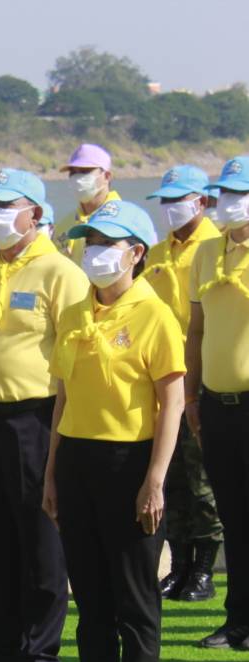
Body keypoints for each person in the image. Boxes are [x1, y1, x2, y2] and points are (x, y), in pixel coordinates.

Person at [44, 200, 182, 662]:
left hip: (131, 462)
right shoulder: (77, 311)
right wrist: (52, 471)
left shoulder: (155, 314)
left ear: (135, 252)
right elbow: (63, 397)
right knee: (92, 600)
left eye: (106, 242)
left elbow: (170, 400)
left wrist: (155, 479)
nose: (94, 251)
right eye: (89, 240)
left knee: (134, 599)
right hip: (77, 460)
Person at [0, 169, 89, 662]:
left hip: (35, 420)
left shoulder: (60, 273)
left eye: (6, 206)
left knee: (40, 541)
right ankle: (1, 652)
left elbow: (74, 368)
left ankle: (41, 654)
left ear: (35, 212)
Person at [145, 164, 222, 603]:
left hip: (199, 373)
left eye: (181, 199)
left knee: (200, 481)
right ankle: (179, 564)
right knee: (169, 478)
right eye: (166, 200)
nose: (172, 208)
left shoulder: (212, 248)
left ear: (202, 201)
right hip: (159, 378)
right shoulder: (155, 254)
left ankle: (205, 570)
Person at [186, 156, 249, 650]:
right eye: (223, 193)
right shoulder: (207, 252)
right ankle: (238, 620)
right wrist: (191, 395)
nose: (228, 202)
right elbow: (197, 329)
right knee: (233, 514)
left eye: (238, 193)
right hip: (217, 403)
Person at [54, 143, 120, 264]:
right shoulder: (64, 225)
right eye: (73, 172)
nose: (78, 178)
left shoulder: (125, 219)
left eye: (85, 171)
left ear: (106, 176)